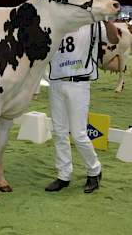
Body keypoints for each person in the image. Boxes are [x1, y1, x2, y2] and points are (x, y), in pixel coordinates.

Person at [45, 20, 119, 193]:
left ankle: (94, 170)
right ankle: (64, 175)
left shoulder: (93, 24)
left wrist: (106, 19)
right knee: (59, 132)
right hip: (56, 82)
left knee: (78, 134)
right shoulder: (56, 22)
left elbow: (114, 39)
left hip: (79, 83)